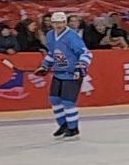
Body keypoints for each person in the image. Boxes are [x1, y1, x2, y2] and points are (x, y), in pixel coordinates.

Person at [38, 10, 92, 140]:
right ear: (52, 23)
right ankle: (63, 125)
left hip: (72, 74)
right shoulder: (50, 35)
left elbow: (86, 53)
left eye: (61, 22)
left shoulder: (72, 36)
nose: (58, 25)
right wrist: (45, 65)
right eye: (56, 22)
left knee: (68, 102)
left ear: (65, 22)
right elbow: (52, 53)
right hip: (58, 73)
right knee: (54, 100)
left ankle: (73, 128)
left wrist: (81, 66)